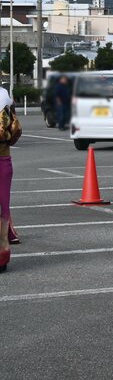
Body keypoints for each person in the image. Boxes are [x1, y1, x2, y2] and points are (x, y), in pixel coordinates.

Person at [0, 86, 18, 271]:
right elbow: (15, 128)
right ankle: (2, 256)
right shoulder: (4, 95)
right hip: (3, 158)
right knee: (3, 208)